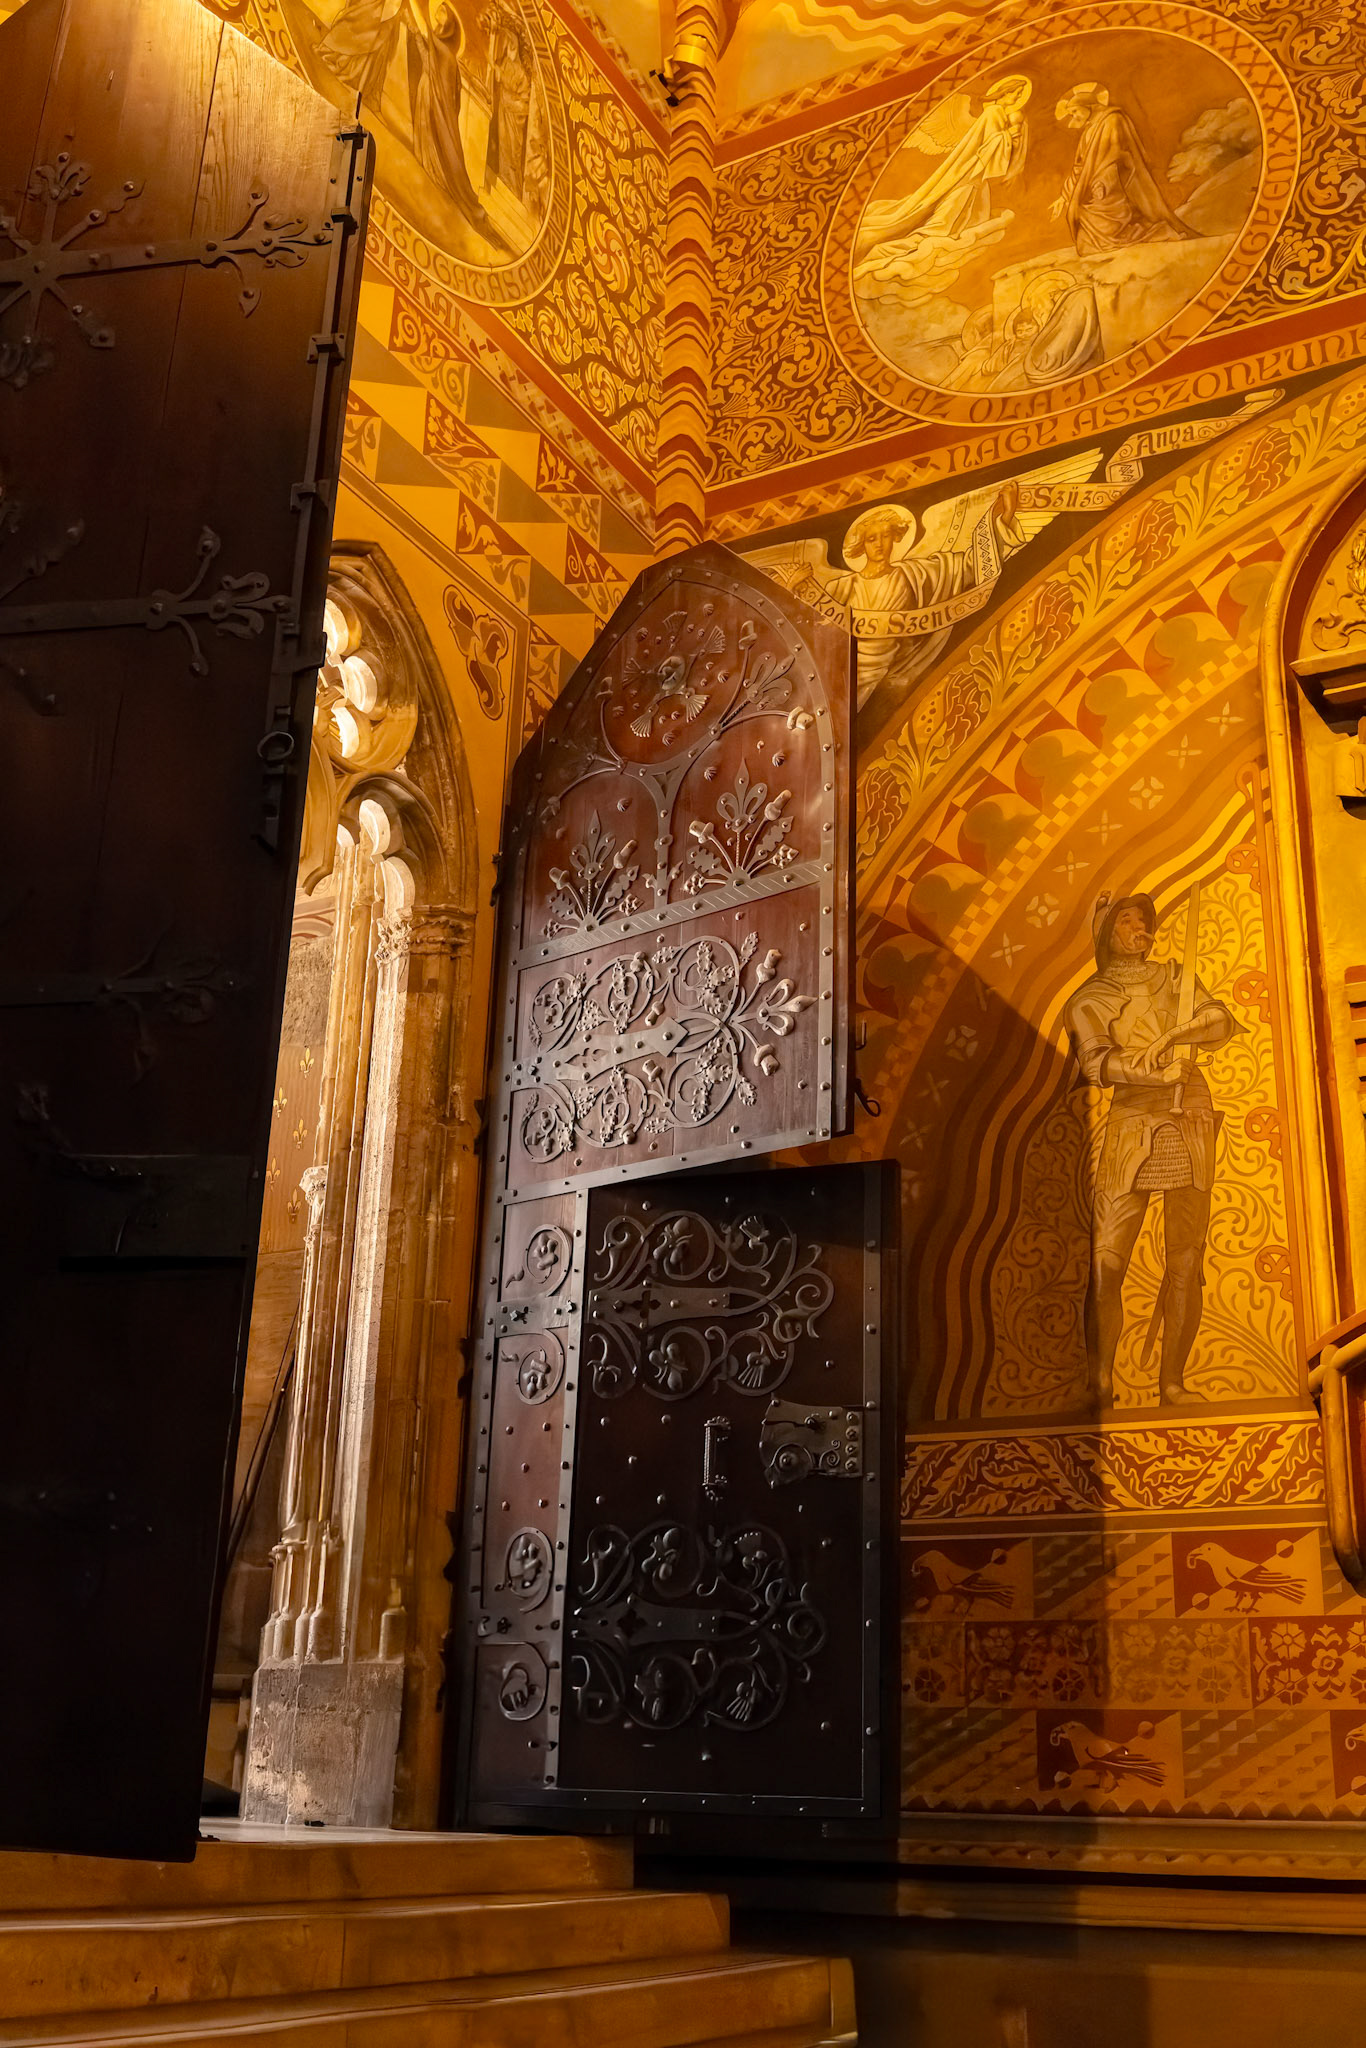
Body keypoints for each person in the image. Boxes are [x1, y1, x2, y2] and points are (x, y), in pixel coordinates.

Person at [1064, 891, 1238, 1406]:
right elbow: (1097, 1063)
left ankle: (1172, 1383)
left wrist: (1181, 1031)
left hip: (1190, 1114)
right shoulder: (1088, 998)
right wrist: (1147, 1067)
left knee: (1186, 1260)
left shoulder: (1176, 978)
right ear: (1105, 933)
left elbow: (1221, 1022)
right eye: (1127, 920)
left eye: (1144, 920)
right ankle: (1100, 1381)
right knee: (1107, 1263)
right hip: (1133, 1120)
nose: (1140, 928)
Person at [832, 483, 1022, 703]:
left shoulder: (916, 573)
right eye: (871, 539)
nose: (879, 545)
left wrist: (1004, 518)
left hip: (897, 670)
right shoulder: (845, 586)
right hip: (849, 676)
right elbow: (817, 632)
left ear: (895, 537)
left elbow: (969, 566)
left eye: (885, 536)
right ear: (862, 545)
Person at [854, 75, 1032, 294]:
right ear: (1003, 93)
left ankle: (926, 240)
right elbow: (992, 143)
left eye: (1019, 94)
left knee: (961, 214)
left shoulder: (1000, 115)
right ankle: (914, 243)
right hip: (971, 172)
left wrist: (1016, 133)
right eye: (1014, 92)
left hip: (975, 173)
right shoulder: (994, 113)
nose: (1016, 97)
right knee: (948, 217)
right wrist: (1010, 135)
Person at [1051, 83, 1195, 257]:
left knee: (1106, 223)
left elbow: (1116, 154)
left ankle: (1161, 232)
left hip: (1113, 184)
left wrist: (1103, 183)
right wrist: (1064, 196)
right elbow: (1079, 167)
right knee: (1084, 237)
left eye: (1075, 111)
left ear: (1088, 106)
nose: (1073, 116)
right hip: (1095, 186)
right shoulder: (1088, 132)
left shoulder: (1112, 120)